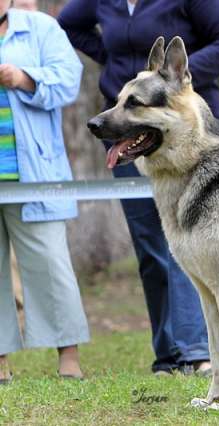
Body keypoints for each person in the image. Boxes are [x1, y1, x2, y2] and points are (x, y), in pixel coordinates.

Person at [57, 0, 219, 375]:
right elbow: (68, 23)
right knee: (151, 248)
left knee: (191, 244)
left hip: (185, 135)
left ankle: (197, 353)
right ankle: (168, 354)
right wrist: (117, 64)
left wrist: (172, 80)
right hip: (130, 130)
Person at [0, 2, 88, 384]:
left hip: (34, 171)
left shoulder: (40, 28)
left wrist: (24, 78)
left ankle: (68, 356)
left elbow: (69, 79)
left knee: (52, 265)